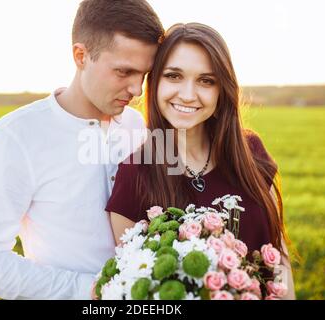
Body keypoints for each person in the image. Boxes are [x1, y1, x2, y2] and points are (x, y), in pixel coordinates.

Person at [0, 0, 164, 299]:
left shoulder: (137, 126)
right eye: (123, 72)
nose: (137, 89)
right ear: (81, 56)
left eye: (144, 74)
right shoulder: (16, 137)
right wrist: (92, 291)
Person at [106, 23, 296, 299]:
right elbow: (133, 285)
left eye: (206, 80)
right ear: (155, 81)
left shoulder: (250, 151)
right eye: (174, 76)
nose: (187, 94)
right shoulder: (133, 174)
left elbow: (279, 258)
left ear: (222, 90)